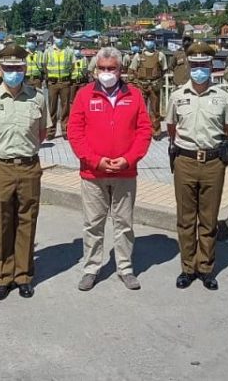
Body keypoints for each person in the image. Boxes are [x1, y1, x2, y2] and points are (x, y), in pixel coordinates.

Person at [67, 47, 152, 291]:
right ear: (95, 70)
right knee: (93, 224)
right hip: (93, 174)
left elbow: (144, 131)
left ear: (120, 69)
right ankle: (91, 268)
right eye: (102, 69)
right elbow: (75, 132)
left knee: (124, 223)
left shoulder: (134, 95)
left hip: (125, 172)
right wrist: (95, 160)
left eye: (111, 68)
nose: (106, 73)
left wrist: (129, 158)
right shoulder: (84, 95)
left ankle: (125, 268)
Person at [0, 43, 48, 300]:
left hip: (29, 165)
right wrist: (0, 152)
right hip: (1, 167)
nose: (13, 71)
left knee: (27, 221)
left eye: (17, 67)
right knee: (2, 222)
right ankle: (2, 276)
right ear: (0, 69)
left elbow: (42, 132)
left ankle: (23, 275)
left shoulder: (37, 98)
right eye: (8, 67)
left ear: (25, 68)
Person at [166, 41, 228, 291]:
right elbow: (172, 128)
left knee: (208, 219)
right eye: (195, 65)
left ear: (211, 66)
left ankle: (205, 267)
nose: (199, 70)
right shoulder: (177, 96)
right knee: (185, 219)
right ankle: (187, 268)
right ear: (189, 66)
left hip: (213, 162)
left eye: (204, 65)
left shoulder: (222, 97)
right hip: (184, 161)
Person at [128, 32, 168, 140]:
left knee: (155, 110)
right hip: (141, 86)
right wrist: (135, 83)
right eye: (147, 39)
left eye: (151, 39)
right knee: (140, 109)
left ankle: (156, 132)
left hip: (155, 86)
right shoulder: (138, 56)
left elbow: (164, 70)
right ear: (144, 41)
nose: (149, 42)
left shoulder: (160, 55)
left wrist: (157, 81)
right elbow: (131, 70)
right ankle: (140, 132)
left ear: (155, 40)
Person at [43, 26, 74, 140]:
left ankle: (65, 130)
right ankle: (51, 132)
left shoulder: (69, 51)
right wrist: (48, 79)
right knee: (52, 107)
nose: (59, 38)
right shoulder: (48, 51)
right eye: (57, 36)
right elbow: (44, 66)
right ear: (53, 37)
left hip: (65, 82)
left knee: (65, 108)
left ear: (63, 37)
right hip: (53, 83)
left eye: (61, 36)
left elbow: (73, 66)